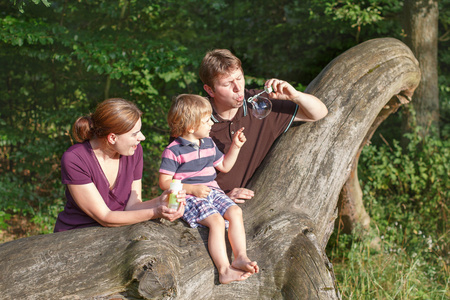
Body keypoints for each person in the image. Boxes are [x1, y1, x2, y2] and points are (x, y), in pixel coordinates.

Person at [199, 49, 328, 203]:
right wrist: (221, 199)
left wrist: (296, 96)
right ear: (209, 90)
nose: (237, 88)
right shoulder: (195, 118)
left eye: (239, 78)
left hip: (256, 208)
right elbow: (178, 180)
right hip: (207, 210)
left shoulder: (260, 103)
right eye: (227, 84)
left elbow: (319, 113)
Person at [159, 94, 259, 284]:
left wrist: (236, 146)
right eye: (206, 120)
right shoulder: (173, 150)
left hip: (213, 191)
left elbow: (224, 166)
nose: (212, 123)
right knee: (217, 222)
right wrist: (192, 189)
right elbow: (164, 182)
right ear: (190, 127)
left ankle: (240, 256)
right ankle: (224, 270)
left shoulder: (208, 143)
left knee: (235, 211)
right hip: (188, 196)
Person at [54, 98, 186, 232]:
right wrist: (155, 212)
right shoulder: (75, 159)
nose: (142, 137)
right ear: (112, 138)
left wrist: (160, 202)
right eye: (135, 134)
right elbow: (104, 217)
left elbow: (132, 206)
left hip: (118, 234)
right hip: (75, 236)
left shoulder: (134, 151)